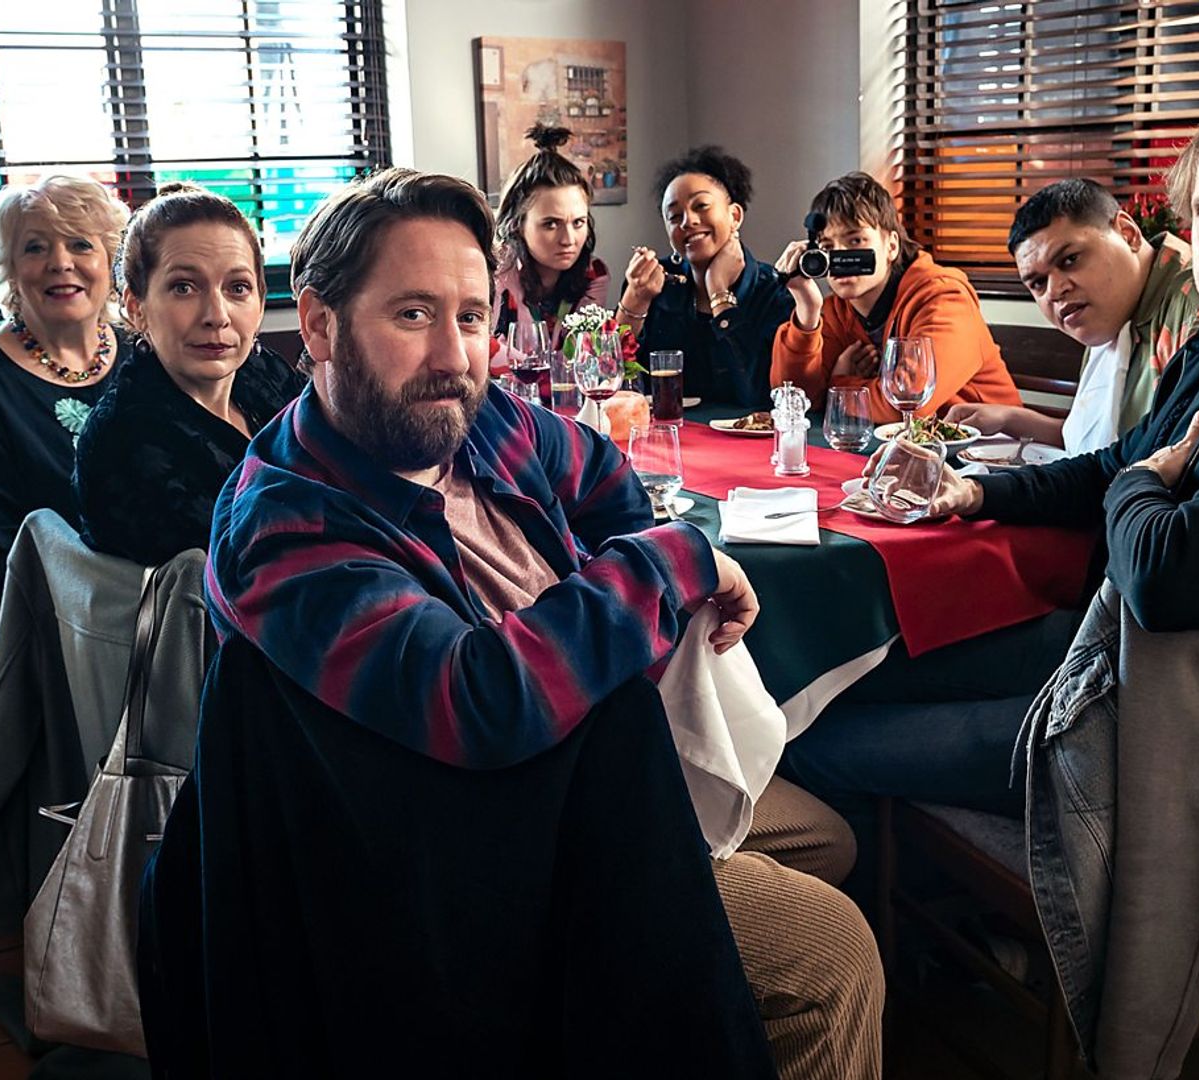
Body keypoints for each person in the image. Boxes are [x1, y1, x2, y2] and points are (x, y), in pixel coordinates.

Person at [139, 168, 882, 1078]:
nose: (454, 355)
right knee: (833, 958)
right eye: (412, 315)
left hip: (600, 783)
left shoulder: (479, 419)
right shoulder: (285, 525)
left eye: (471, 315)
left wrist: (644, 552)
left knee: (832, 837)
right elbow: (478, 701)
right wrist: (671, 563)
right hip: (463, 863)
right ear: (323, 325)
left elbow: (616, 493)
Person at [788, 75, 1199, 836]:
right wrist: (975, 493)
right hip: (1108, 652)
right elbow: (1114, 468)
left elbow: (1167, 576)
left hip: (1178, 723)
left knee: (819, 740)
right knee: (832, 677)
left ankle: (970, 935)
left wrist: (1141, 483)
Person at [0, 174, 130, 646]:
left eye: (81, 244)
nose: (61, 263)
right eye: (36, 248)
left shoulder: (145, 355)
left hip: (157, 599)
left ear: (109, 261)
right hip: (53, 626)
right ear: (11, 270)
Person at [73, 181, 306, 566]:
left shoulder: (263, 374)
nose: (216, 315)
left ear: (261, 301)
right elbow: (256, 573)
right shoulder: (124, 440)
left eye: (237, 288)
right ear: (136, 306)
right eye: (184, 287)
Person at [946, 178, 1199, 455]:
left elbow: (1186, 460)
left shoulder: (1195, 306)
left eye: (1070, 260)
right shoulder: (1108, 315)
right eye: (1037, 283)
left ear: (1127, 233)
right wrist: (1009, 418)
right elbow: (1092, 442)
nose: (1055, 291)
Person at [770, 171, 1021, 422]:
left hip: (994, 450)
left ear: (891, 245)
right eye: (827, 247)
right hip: (911, 448)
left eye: (855, 240)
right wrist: (807, 309)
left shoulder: (945, 298)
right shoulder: (837, 310)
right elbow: (794, 400)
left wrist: (840, 385)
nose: (841, 256)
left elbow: (908, 404)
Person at [618, 146, 794, 408]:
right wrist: (635, 300)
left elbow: (759, 398)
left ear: (734, 215)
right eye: (674, 216)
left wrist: (719, 292)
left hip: (749, 446)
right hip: (669, 436)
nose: (688, 222)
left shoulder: (775, 291)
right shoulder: (655, 285)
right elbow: (615, 384)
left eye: (701, 206)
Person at [490, 123, 610, 369]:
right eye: (551, 224)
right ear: (516, 225)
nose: (568, 239)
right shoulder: (494, 270)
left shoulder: (594, 274)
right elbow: (480, 345)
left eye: (578, 222)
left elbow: (582, 355)